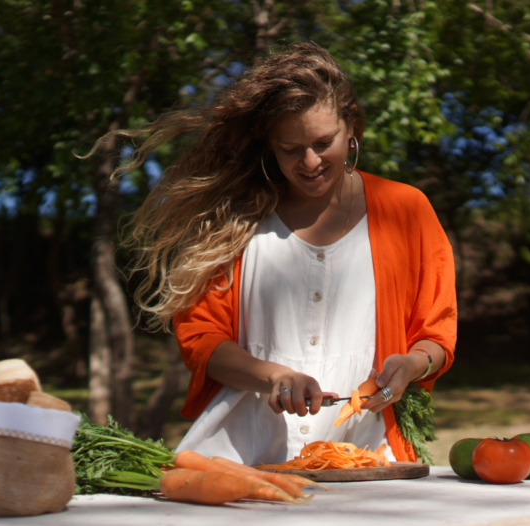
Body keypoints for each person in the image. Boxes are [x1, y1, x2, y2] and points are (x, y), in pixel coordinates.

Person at [98, 42, 457, 465]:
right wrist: (273, 376)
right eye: (290, 148)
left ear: (352, 126)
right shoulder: (233, 217)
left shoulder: (406, 209)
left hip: (367, 455)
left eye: (324, 142)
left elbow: (437, 335)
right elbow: (201, 339)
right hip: (240, 456)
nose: (309, 161)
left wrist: (413, 365)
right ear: (269, 144)